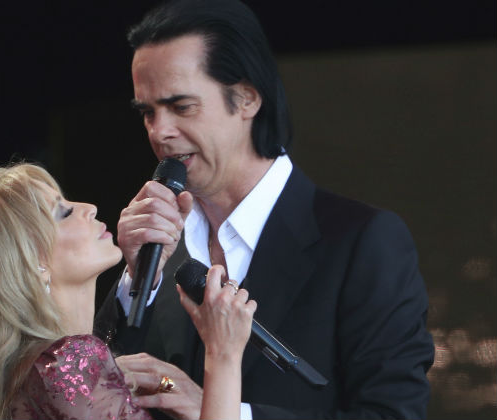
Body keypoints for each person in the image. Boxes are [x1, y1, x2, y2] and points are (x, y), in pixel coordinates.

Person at [94, 0, 435, 419]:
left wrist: (223, 411)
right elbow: (90, 395)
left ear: (247, 99)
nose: (159, 131)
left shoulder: (363, 242)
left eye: (182, 107)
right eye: (148, 112)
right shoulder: (157, 245)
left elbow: (393, 413)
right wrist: (133, 282)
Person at [0, 162, 257, 420]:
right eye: (62, 213)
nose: (88, 208)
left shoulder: (33, 375)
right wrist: (223, 354)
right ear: (32, 263)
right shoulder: (67, 365)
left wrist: (168, 386)